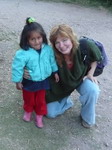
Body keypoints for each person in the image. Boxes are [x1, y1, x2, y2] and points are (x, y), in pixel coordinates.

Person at [24, 24, 102, 128]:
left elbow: (95, 59)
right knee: (50, 113)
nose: (61, 45)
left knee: (92, 89)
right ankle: (67, 102)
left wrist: (90, 74)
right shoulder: (51, 55)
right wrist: (25, 71)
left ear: (71, 38)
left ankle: (87, 118)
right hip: (63, 85)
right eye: (57, 42)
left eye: (64, 40)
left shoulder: (84, 45)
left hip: (81, 78)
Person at [11, 17, 59, 128]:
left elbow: (52, 61)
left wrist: (55, 71)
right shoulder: (22, 53)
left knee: (40, 101)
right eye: (33, 39)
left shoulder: (47, 49)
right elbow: (17, 68)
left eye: (39, 38)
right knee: (29, 100)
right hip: (29, 82)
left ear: (42, 36)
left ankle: (39, 117)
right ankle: (28, 112)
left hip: (43, 82)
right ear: (26, 40)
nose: (37, 41)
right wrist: (17, 81)